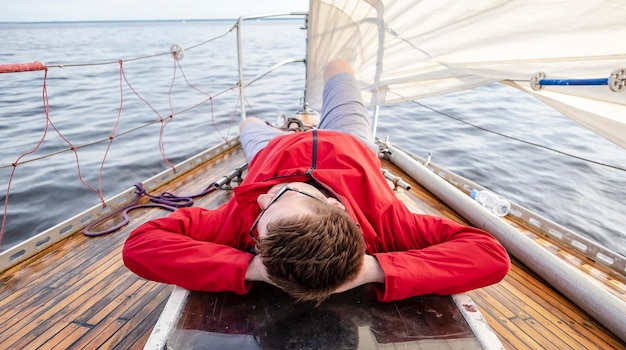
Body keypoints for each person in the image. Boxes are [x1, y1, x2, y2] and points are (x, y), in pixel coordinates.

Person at [122, 59, 511, 303]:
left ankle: (286, 118)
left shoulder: (240, 221)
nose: (260, 201)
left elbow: (141, 246)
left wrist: (250, 268)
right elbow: (489, 254)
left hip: (272, 151)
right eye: (278, 198)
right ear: (338, 209)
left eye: (269, 207)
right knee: (339, 69)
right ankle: (326, 72)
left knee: (249, 125)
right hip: (351, 142)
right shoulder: (388, 221)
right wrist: (373, 268)